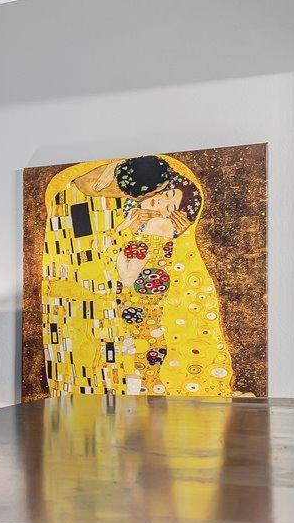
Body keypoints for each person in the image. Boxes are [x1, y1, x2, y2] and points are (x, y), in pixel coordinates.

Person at [37, 153, 235, 398]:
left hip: (122, 309)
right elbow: (78, 256)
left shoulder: (135, 206)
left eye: (165, 197)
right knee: (88, 382)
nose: (156, 202)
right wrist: (124, 232)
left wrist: (173, 234)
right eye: (156, 195)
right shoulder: (72, 199)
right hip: (81, 306)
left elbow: (149, 258)